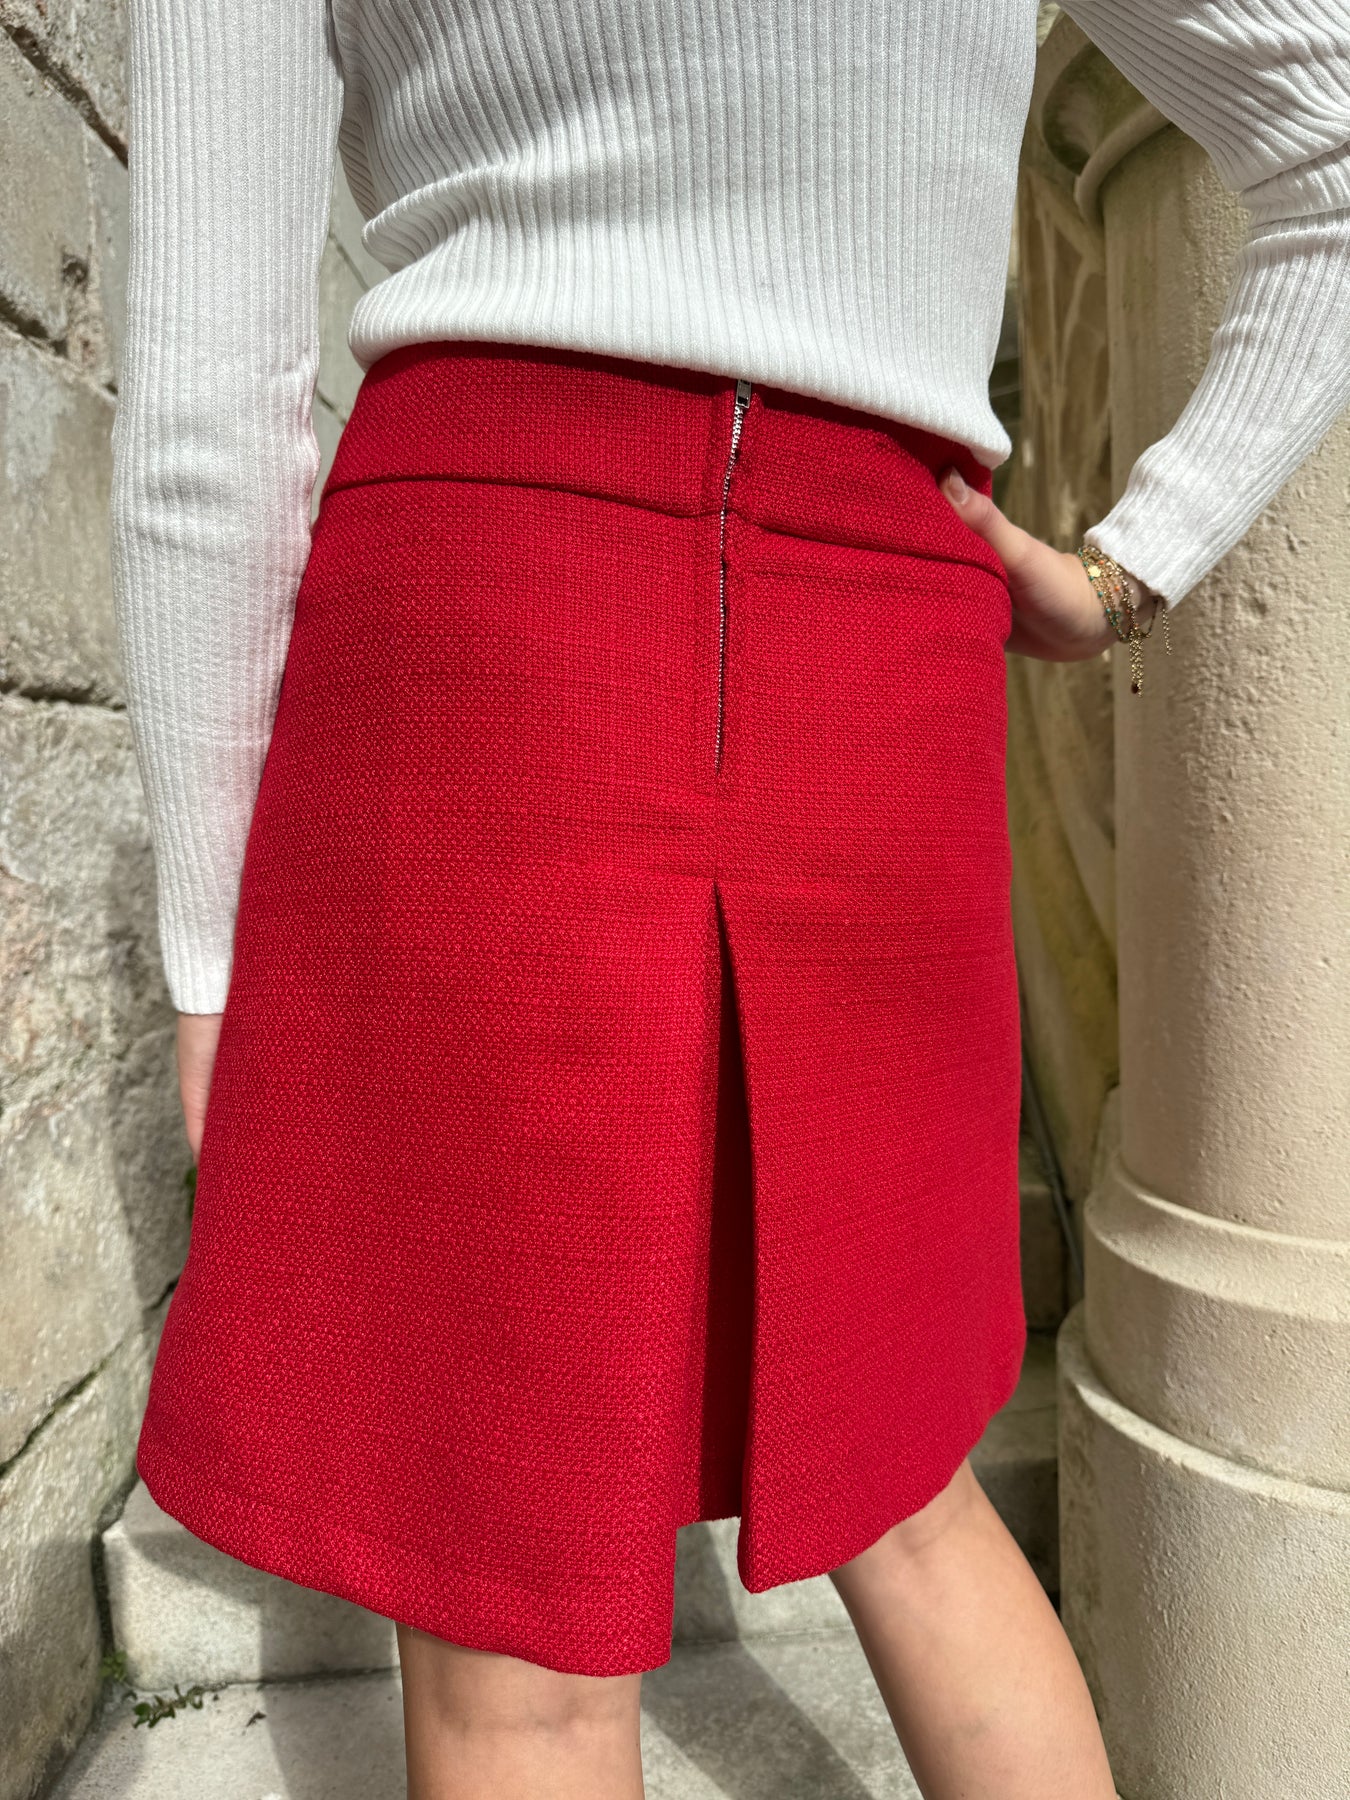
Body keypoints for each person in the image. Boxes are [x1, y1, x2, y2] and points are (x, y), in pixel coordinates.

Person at [108, 2, 1350, 1796]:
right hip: (880, 637)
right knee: (907, 1495)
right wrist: (1122, 568)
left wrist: (215, 959)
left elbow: (207, 412)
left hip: (491, 618)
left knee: (517, 1632)